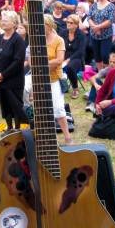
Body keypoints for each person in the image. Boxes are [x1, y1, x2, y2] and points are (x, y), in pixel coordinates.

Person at [0, 11, 27, 134]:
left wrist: (3, 75)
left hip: (13, 80)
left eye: (6, 20)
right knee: (5, 105)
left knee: (15, 104)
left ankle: (17, 129)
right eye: (3, 20)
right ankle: (9, 127)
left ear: (14, 23)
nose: (3, 22)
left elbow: (18, 61)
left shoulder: (18, 40)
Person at [44, 15, 73, 144]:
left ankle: (67, 136)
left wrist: (42, 64)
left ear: (49, 26)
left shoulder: (58, 40)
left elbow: (59, 60)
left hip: (54, 78)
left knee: (58, 108)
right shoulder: (36, 39)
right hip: (39, 78)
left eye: (42, 25)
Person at [89, 0, 115, 71]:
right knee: (97, 55)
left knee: (105, 54)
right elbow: (89, 17)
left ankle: (106, 72)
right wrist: (94, 27)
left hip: (106, 35)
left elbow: (110, 20)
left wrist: (98, 27)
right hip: (94, 34)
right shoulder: (94, 5)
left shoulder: (111, 6)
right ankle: (100, 72)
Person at [62, 14, 86, 99]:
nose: (68, 24)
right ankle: (59, 86)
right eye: (67, 22)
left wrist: (69, 59)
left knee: (70, 67)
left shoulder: (81, 35)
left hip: (76, 58)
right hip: (63, 57)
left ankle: (75, 88)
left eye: (71, 23)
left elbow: (80, 51)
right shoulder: (63, 32)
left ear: (76, 24)